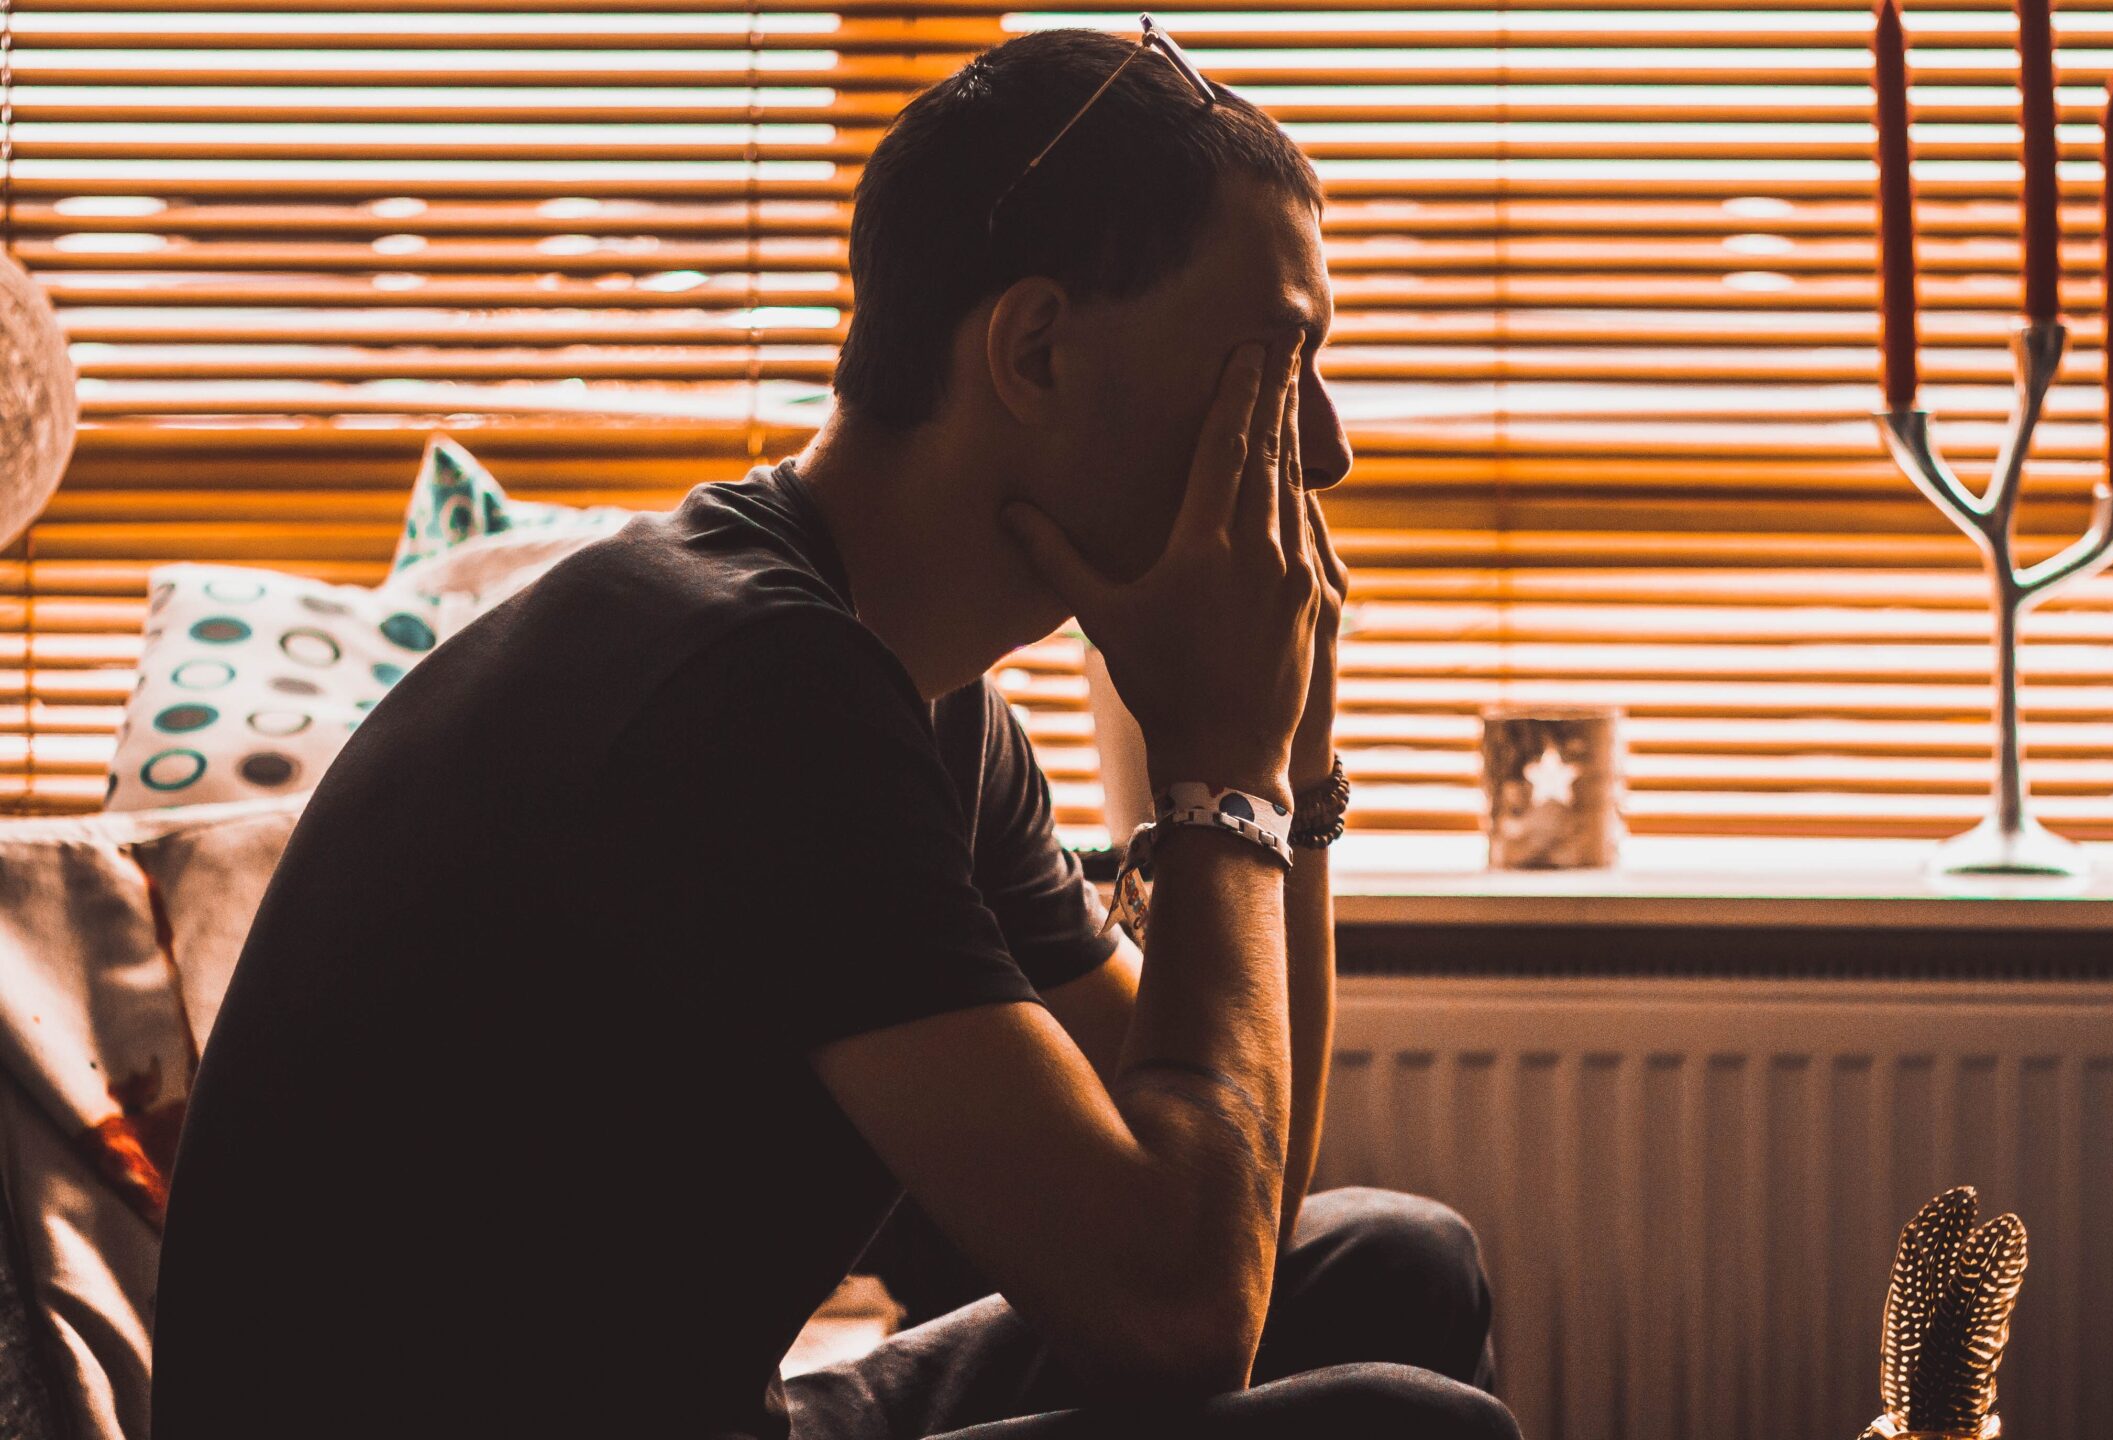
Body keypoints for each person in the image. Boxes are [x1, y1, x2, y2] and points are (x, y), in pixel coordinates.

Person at [152, 25, 1517, 1440]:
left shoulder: (916, 699)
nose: (1328, 446)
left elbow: (1226, 1196)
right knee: (1413, 1425)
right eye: (1275, 363)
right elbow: (1179, 1315)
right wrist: (1223, 771)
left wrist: (1288, 771)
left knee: (1394, 1265)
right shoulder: (750, 686)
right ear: (1034, 349)